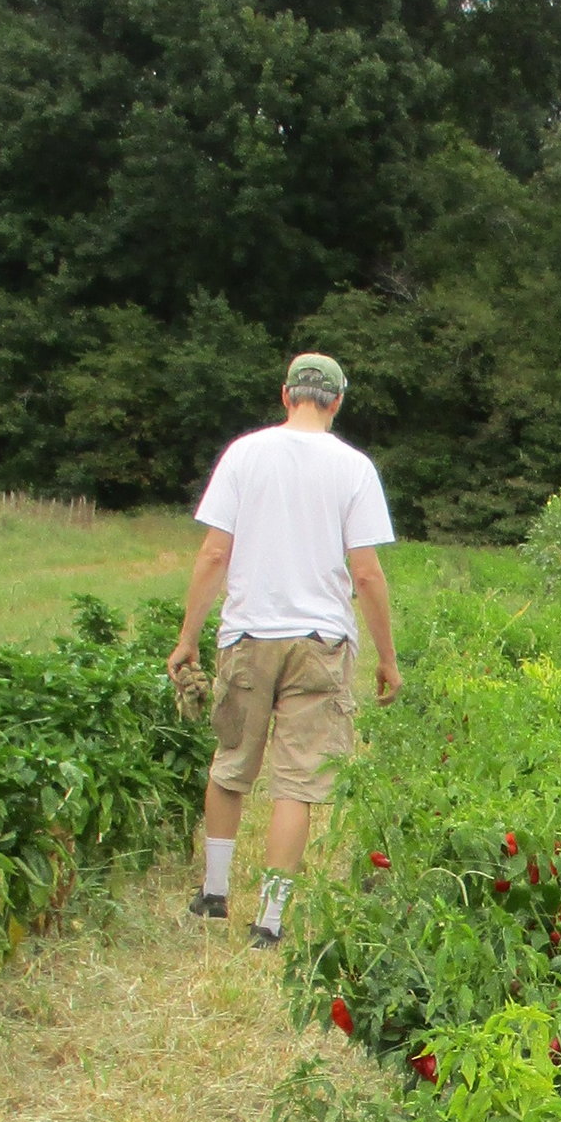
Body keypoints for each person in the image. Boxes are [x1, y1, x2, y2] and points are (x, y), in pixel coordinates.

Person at [166, 353, 402, 944]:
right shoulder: (354, 467)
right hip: (320, 642)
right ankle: (269, 921)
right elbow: (367, 574)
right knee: (295, 782)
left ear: (285, 395)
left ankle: (214, 894)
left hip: (248, 631)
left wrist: (188, 637)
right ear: (338, 401)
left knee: (231, 764)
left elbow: (214, 554)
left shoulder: (244, 454)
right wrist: (388, 661)